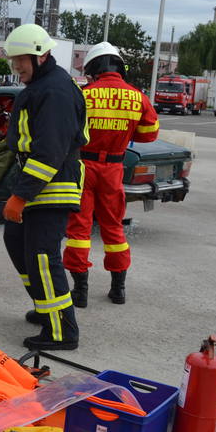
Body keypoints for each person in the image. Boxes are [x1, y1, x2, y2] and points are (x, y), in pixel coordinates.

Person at [1, 24, 88, 351]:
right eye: (14, 61)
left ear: (42, 55)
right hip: (43, 181)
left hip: (53, 184)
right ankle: (45, 304)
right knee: (17, 241)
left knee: (40, 255)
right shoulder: (45, 85)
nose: (17, 67)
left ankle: (62, 330)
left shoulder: (54, 91)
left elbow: (49, 151)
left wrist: (20, 197)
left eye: (21, 60)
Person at [62, 42, 159, 309]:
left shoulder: (83, 95)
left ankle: (79, 292)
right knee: (114, 228)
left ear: (94, 67)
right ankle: (118, 289)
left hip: (84, 167)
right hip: (114, 169)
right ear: (118, 66)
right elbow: (149, 134)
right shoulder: (137, 97)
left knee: (79, 229)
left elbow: (69, 132)